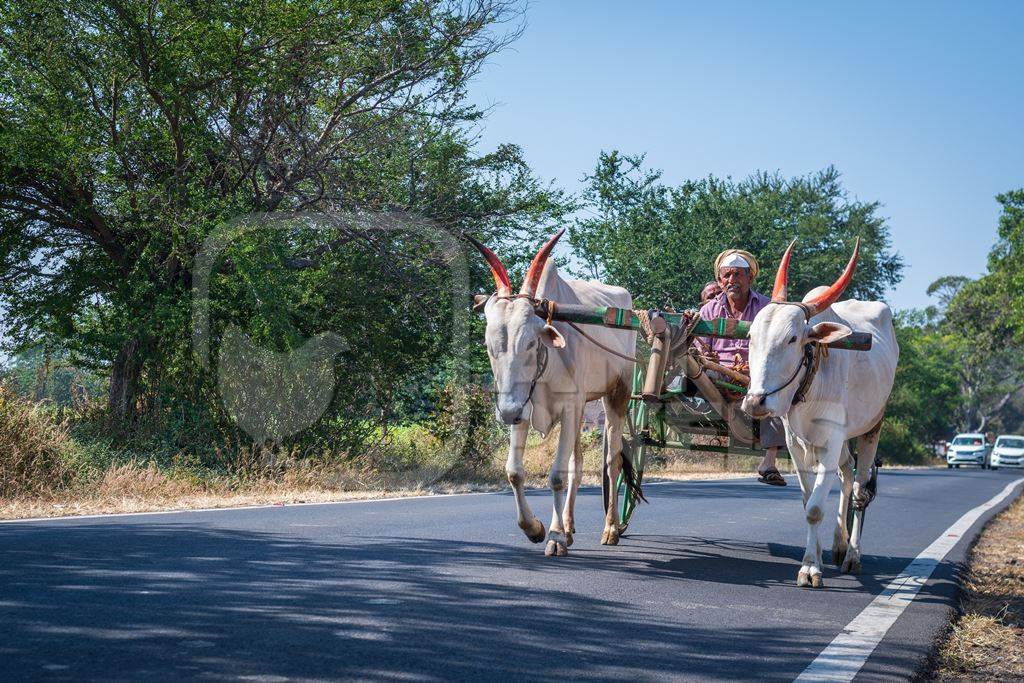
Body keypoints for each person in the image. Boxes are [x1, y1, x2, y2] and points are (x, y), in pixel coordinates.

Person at [697, 249, 787, 486]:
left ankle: (769, 462)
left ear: (750, 278)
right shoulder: (708, 311)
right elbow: (700, 349)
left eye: (738, 275)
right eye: (726, 276)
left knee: (773, 394)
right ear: (719, 280)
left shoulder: (769, 309)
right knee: (697, 372)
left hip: (756, 375)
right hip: (717, 375)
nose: (731, 281)